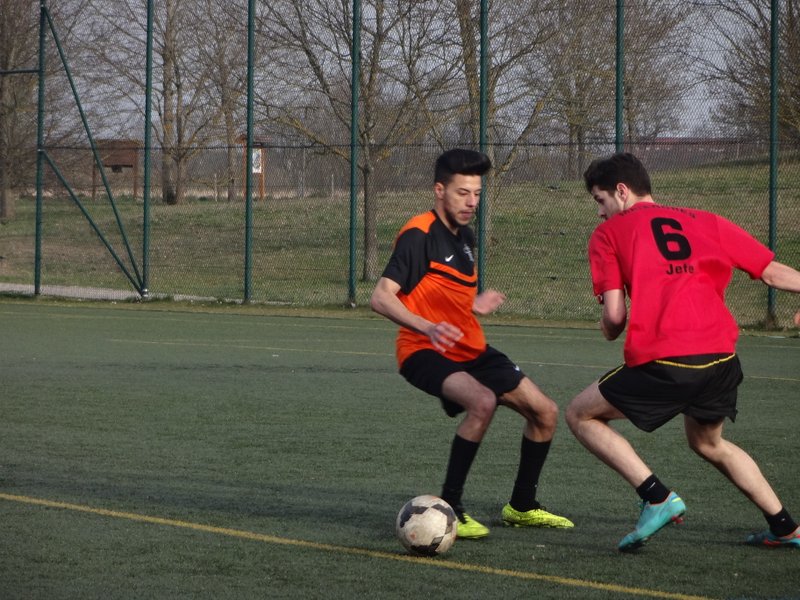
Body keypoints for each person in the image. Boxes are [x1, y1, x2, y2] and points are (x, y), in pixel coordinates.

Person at [565, 152, 800, 551]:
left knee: (579, 414)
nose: (600, 212)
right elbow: (772, 272)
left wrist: (606, 328)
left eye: (600, 201)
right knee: (708, 443)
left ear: (621, 191)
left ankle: (656, 497)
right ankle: (786, 527)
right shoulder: (706, 220)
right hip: (721, 359)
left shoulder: (608, 234)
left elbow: (615, 316)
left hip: (668, 359)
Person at [370, 148, 573, 539]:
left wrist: (473, 305)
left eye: (477, 193)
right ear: (439, 190)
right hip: (423, 349)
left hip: (470, 348)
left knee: (545, 412)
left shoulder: (464, 236)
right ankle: (451, 509)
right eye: (462, 193)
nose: (471, 202)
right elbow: (381, 297)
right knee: (482, 401)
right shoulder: (419, 234)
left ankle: (522, 506)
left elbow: (443, 290)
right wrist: (427, 327)